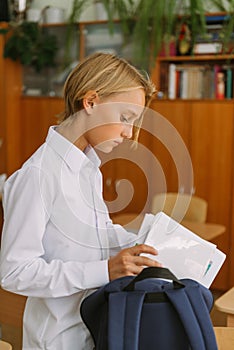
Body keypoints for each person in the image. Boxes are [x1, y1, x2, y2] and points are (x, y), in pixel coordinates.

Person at [0, 53, 160, 349]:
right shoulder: (38, 175)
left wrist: (142, 242)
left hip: (94, 327)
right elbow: (14, 272)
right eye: (125, 118)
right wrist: (105, 270)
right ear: (91, 102)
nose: (128, 133)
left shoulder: (88, 169)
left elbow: (95, 237)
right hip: (59, 340)